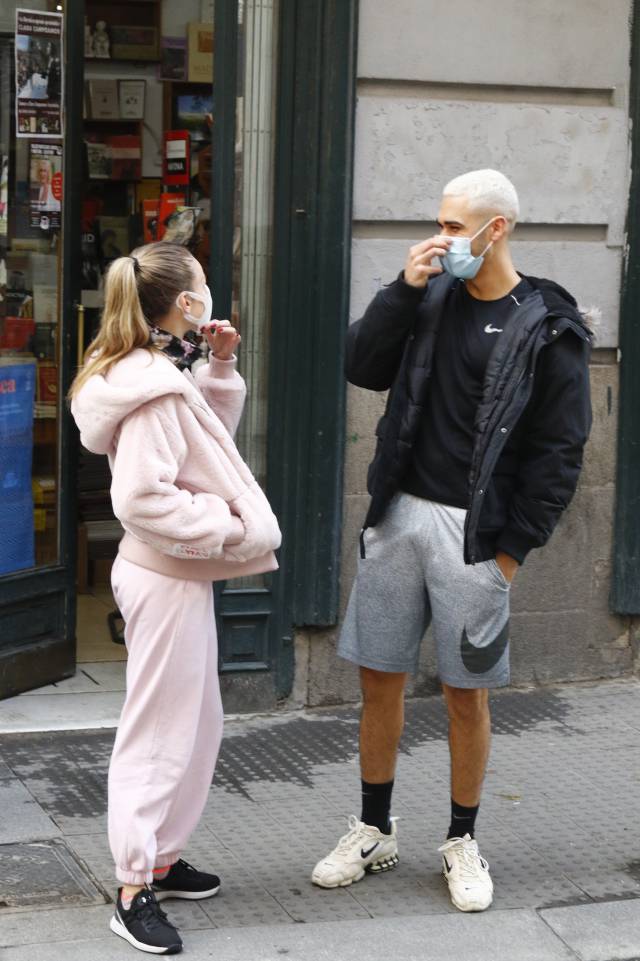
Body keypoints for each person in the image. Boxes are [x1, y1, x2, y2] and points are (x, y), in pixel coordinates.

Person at [311, 170, 592, 912]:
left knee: (466, 694)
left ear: (495, 229)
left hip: (477, 537)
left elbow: (560, 452)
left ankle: (462, 839)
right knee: (379, 676)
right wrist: (402, 288)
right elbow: (360, 365)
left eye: (454, 225)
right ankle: (374, 827)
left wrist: (509, 554)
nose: (442, 237)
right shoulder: (429, 296)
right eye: (437, 220)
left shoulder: (547, 325)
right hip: (400, 513)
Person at [70, 241, 281, 954]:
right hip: (165, 573)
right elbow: (140, 497)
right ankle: (133, 886)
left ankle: (159, 856)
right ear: (183, 302)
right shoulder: (151, 383)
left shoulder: (157, 372)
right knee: (161, 730)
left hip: (172, 574)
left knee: (198, 722)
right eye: (201, 286)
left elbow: (203, 444)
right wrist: (225, 527)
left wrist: (218, 364)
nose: (209, 294)